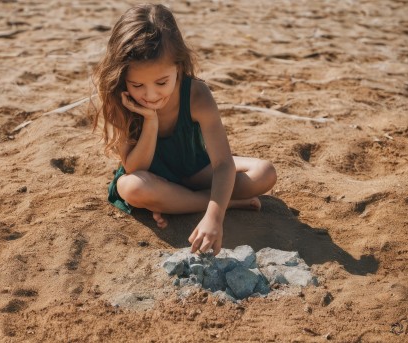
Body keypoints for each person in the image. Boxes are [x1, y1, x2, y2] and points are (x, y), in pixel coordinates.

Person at [92, 4, 277, 256]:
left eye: (161, 82)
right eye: (137, 85)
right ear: (122, 77)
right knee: (131, 188)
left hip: (194, 170)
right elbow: (135, 168)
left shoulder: (197, 95)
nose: (150, 95)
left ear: (178, 67)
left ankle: (178, 202)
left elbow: (223, 164)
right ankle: (227, 202)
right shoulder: (119, 99)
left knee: (264, 172)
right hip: (152, 178)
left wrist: (213, 219)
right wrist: (150, 120)